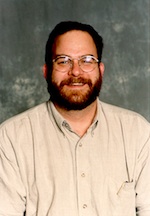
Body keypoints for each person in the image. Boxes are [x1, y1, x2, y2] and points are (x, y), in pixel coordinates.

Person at [0, 21, 150, 216]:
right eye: (63, 60)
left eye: (87, 60)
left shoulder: (137, 132)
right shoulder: (11, 138)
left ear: (101, 70)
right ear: (46, 72)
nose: (76, 71)